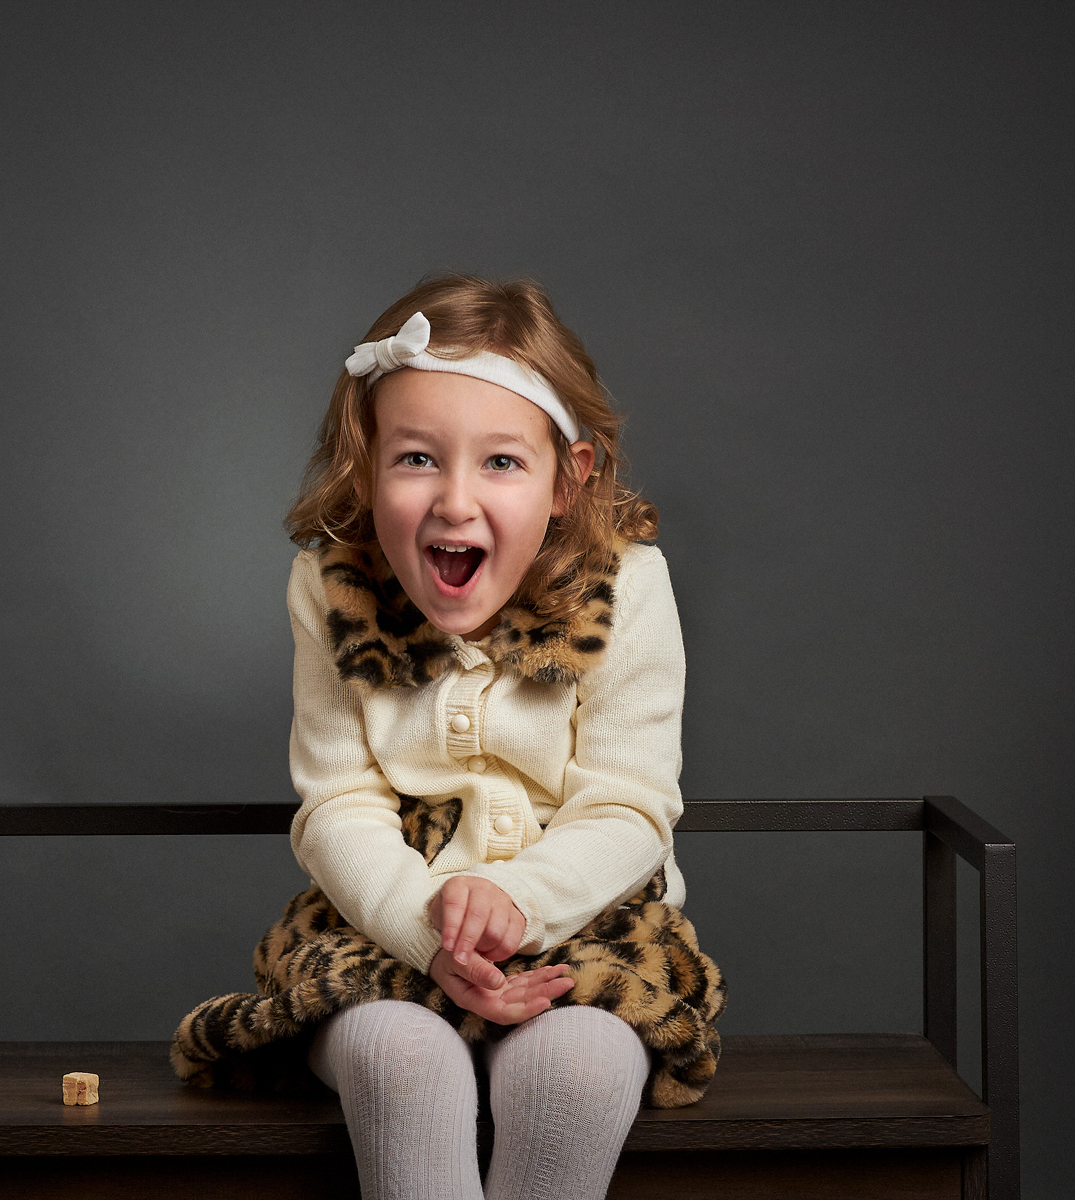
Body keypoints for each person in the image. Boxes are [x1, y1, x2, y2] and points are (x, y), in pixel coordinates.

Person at [170, 274, 723, 1200]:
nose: (455, 502)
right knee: (401, 1061)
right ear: (365, 469)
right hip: (385, 932)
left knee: (576, 1073)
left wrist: (516, 900)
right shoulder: (333, 590)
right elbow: (339, 804)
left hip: (586, 934)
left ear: (567, 479)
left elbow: (629, 807)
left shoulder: (627, 588)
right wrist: (429, 932)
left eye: (501, 462)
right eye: (417, 458)